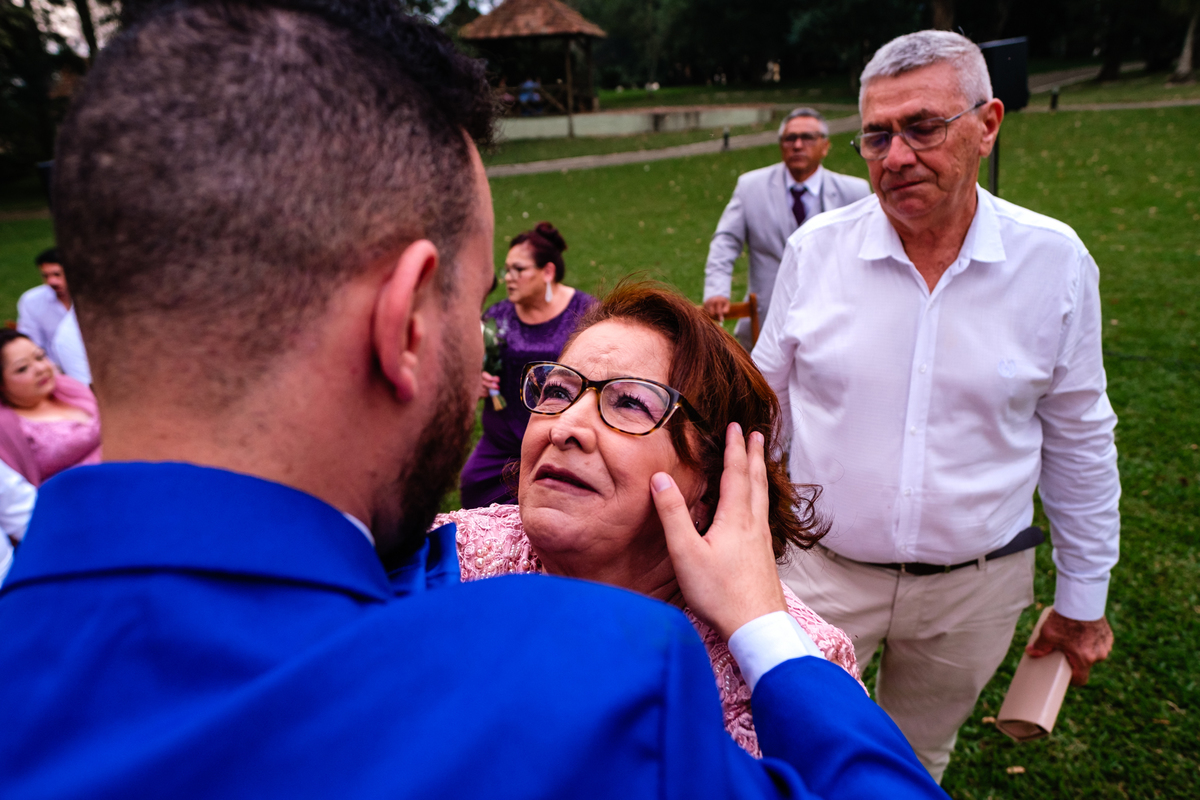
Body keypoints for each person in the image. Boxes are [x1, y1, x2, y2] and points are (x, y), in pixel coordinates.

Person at [0, 3, 945, 799]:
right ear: (407, 319)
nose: (564, 418)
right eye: (472, 296)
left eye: (621, 402)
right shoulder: (583, 682)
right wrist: (770, 642)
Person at [753, 30, 1120, 783]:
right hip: (821, 573)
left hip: (974, 590)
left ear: (988, 125)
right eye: (876, 135)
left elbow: (1079, 434)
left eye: (922, 127)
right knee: (782, 750)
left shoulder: (1053, 261)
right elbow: (763, 410)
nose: (895, 157)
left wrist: (1083, 597)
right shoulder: (815, 252)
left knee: (916, 760)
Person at [443, 281, 858, 757]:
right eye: (557, 390)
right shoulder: (444, 562)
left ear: (713, 478)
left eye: (630, 403)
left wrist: (759, 633)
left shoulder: (788, 669)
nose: (565, 428)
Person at [703, 108, 871, 349]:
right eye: (790, 138)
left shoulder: (854, 192)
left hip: (833, 326)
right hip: (765, 324)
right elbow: (726, 241)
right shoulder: (751, 187)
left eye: (808, 137)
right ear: (781, 145)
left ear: (825, 146)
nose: (798, 145)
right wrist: (716, 289)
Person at [459, 222, 595, 507]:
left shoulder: (585, 313)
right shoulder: (497, 316)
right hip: (503, 440)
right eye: (507, 269)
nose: (509, 278)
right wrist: (478, 382)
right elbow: (474, 367)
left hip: (558, 435)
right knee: (472, 483)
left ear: (547, 272)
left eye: (519, 270)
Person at [0, 330, 100, 488]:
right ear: (2, 385)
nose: (41, 368)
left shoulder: (68, 388)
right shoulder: (7, 429)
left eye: (40, 357)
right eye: (22, 368)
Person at [16, 248, 71, 361]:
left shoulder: (93, 298)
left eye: (57, 274)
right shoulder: (31, 301)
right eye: (46, 276)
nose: (51, 281)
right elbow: (31, 344)